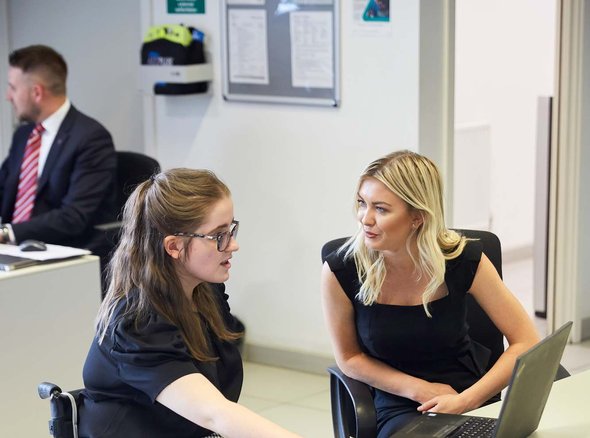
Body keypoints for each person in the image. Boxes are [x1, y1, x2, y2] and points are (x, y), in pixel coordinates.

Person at [321, 150, 539, 437]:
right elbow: (349, 358)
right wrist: (420, 389)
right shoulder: (342, 270)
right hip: (399, 400)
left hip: (469, 392)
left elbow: (525, 340)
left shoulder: (462, 259)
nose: (365, 219)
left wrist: (465, 400)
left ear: (418, 217)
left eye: (381, 209)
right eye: (362, 203)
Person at [80, 168, 300, 438]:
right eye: (219, 236)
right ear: (173, 247)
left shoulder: (206, 292)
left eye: (231, 229)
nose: (233, 245)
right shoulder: (137, 322)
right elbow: (214, 413)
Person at [0, 44, 116, 250]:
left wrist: (8, 234)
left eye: (13, 88)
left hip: (58, 251)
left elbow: (74, 216)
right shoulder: (24, 134)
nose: (9, 96)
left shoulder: (91, 138)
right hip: (15, 248)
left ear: (37, 92)